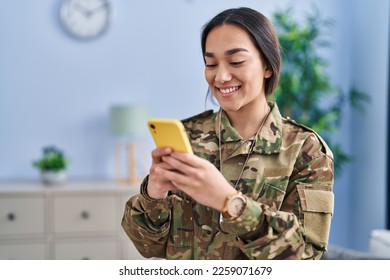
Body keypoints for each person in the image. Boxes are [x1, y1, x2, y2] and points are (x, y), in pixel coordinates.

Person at [121, 7, 334, 260]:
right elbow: (148, 247)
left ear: (267, 65)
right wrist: (153, 194)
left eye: (236, 62)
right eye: (211, 63)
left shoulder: (306, 150)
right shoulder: (187, 137)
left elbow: (305, 259)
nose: (220, 76)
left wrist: (229, 202)